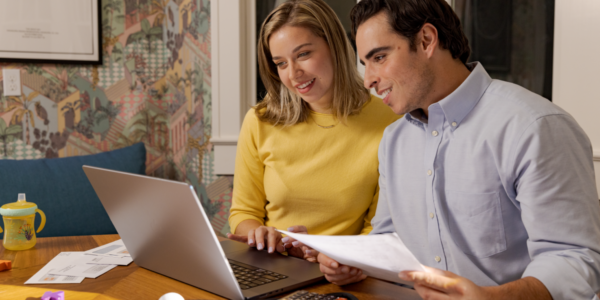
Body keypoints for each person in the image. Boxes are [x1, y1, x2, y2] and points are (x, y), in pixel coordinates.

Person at [317, 0, 600, 298]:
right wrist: (355, 263)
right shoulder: (394, 140)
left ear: (426, 40)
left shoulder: (534, 127)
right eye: (366, 64)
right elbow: (388, 239)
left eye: (380, 57)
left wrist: (491, 298)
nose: (370, 79)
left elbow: (575, 259)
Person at [227, 0, 400, 261]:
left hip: (346, 270)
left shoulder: (388, 120)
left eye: (303, 54)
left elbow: (379, 228)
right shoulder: (260, 121)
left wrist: (340, 260)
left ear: (334, 46)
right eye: (281, 63)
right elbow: (243, 212)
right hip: (274, 265)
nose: (293, 74)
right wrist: (260, 235)